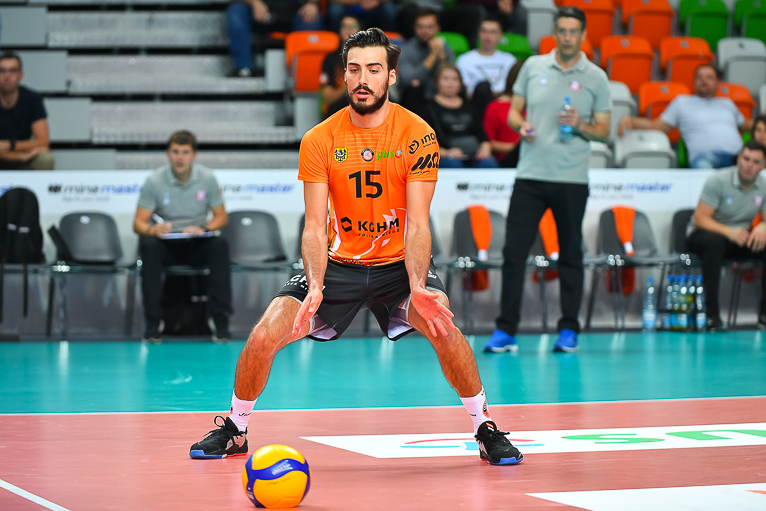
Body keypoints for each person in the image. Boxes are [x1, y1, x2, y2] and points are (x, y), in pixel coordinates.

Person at [188, 28, 523, 466]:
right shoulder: (319, 138)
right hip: (338, 263)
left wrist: (418, 285)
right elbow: (314, 226)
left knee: (442, 325)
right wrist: (314, 285)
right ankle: (236, 428)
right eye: (354, 69)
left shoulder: (417, 134)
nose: (363, 79)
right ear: (344, 76)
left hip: (397, 264)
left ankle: (484, 427)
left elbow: (418, 223)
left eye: (374, 69)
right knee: (264, 333)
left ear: (391, 76)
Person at [484, 6, 611, 354]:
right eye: (562, 30)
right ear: (554, 33)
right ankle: (506, 330)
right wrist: (520, 125)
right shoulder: (533, 66)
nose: (567, 37)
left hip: (572, 179)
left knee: (570, 253)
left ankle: (568, 329)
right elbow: (513, 111)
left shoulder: (596, 77)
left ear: (583, 35)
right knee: (514, 252)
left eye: (573, 31)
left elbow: (604, 131)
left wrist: (580, 124)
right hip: (530, 175)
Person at [133, 131, 233, 344]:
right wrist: (153, 229)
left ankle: (221, 322)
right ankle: (153, 324)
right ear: (168, 153)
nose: (180, 157)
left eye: (185, 152)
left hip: (196, 243)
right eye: (176, 152)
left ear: (194, 155)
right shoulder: (154, 181)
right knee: (148, 246)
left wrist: (204, 227)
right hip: (167, 243)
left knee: (219, 245)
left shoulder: (207, 178)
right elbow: (138, 223)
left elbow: (221, 217)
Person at [687, 140, 766, 331]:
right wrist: (728, 232)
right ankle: (712, 315)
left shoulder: (763, 186)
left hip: (738, 237)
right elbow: (699, 219)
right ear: (738, 159)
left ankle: (764, 315)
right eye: (746, 159)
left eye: (756, 162)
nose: (749, 165)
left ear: (763, 166)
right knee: (715, 244)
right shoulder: (718, 180)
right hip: (705, 234)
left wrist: (763, 226)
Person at [618, 64, 754, 169]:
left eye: (709, 77)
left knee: (754, 165)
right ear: (694, 81)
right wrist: (632, 121)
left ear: (718, 82)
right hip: (705, 157)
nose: (703, 80)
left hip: (738, 157)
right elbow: (657, 125)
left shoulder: (727, 103)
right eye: (699, 77)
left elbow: (745, 124)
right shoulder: (682, 102)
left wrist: (761, 123)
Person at [424, 64, 498, 168]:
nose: (450, 83)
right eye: (445, 78)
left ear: (461, 83)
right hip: (445, 157)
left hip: (474, 156)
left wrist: (485, 149)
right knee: (453, 164)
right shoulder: (428, 109)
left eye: (455, 79)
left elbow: (483, 137)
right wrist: (447, 153)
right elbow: (424, 144)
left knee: (489, 163)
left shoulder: (470, 107)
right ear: (436, 82)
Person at [226, 0, 324, 77]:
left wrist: (312, 3)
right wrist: (255, 3)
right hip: (259, 14)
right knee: (236, 11)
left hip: (294, 14)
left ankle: (305, 73)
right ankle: (244, 68)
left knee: (313, 18)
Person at [0, 51, 54, 171]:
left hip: (23, 157)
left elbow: (43, 142)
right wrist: (17, 157)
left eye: (12, 71)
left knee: (45, 159)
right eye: (2, 71)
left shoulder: (32, 99)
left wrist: (9, 145)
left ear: (21, 75)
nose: (7, 76)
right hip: (15, 156)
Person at [397, 8, 455, 114]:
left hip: (438, 98)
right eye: (421, 27)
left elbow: (450, 79)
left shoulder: (446, 50)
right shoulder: (405, 50)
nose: (425, 31)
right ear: (415, 28)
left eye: (430, 27)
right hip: (413, 101)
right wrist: (432, 56)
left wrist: (442, 58)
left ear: (438, 28)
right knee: (414, 88)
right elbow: (408, 80)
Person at [455, 15, 516, 98]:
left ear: (500, 35)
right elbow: (464, 91)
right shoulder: (464, 60)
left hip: (504, 101)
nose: (488, 36)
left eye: (493, 32)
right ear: (478, 33)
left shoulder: (510, 60)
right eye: (484, 31)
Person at [482, 58, 524, 168]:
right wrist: (516, 148)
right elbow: (489, 143)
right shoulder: (496, 107)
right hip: (507, 161)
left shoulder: (538, 106)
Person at [320, 15, 362, 119]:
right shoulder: (330, 59)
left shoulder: (369, 58)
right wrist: (348, 85)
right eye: (344, 26)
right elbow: (326, 98)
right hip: (338, 110)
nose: (348, 29)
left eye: (353, 26)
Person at [327, 0, 396, 32]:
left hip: (374, 4)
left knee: (389, 8)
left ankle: (390, 39)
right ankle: (336, 40)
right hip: (349, 5)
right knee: (335, 9)